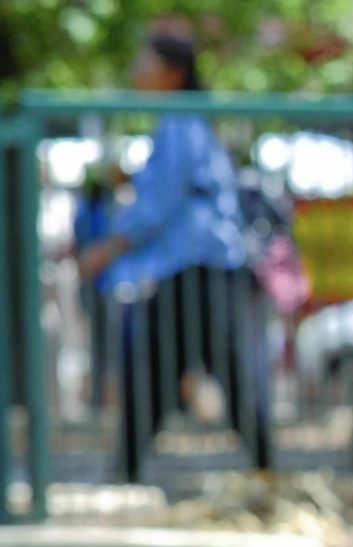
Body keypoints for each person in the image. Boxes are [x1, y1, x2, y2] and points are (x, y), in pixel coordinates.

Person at [78, 33, 273, 481]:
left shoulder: (180, 124)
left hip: (197, 266)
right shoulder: (183, 123)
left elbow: (160, 203)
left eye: (144, 63)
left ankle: (126, 472)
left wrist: (108, 247)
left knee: (162, 371)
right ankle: (264, 468)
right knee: (169, 372)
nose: (135, 73)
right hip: (194, 266)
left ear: (173, 72)